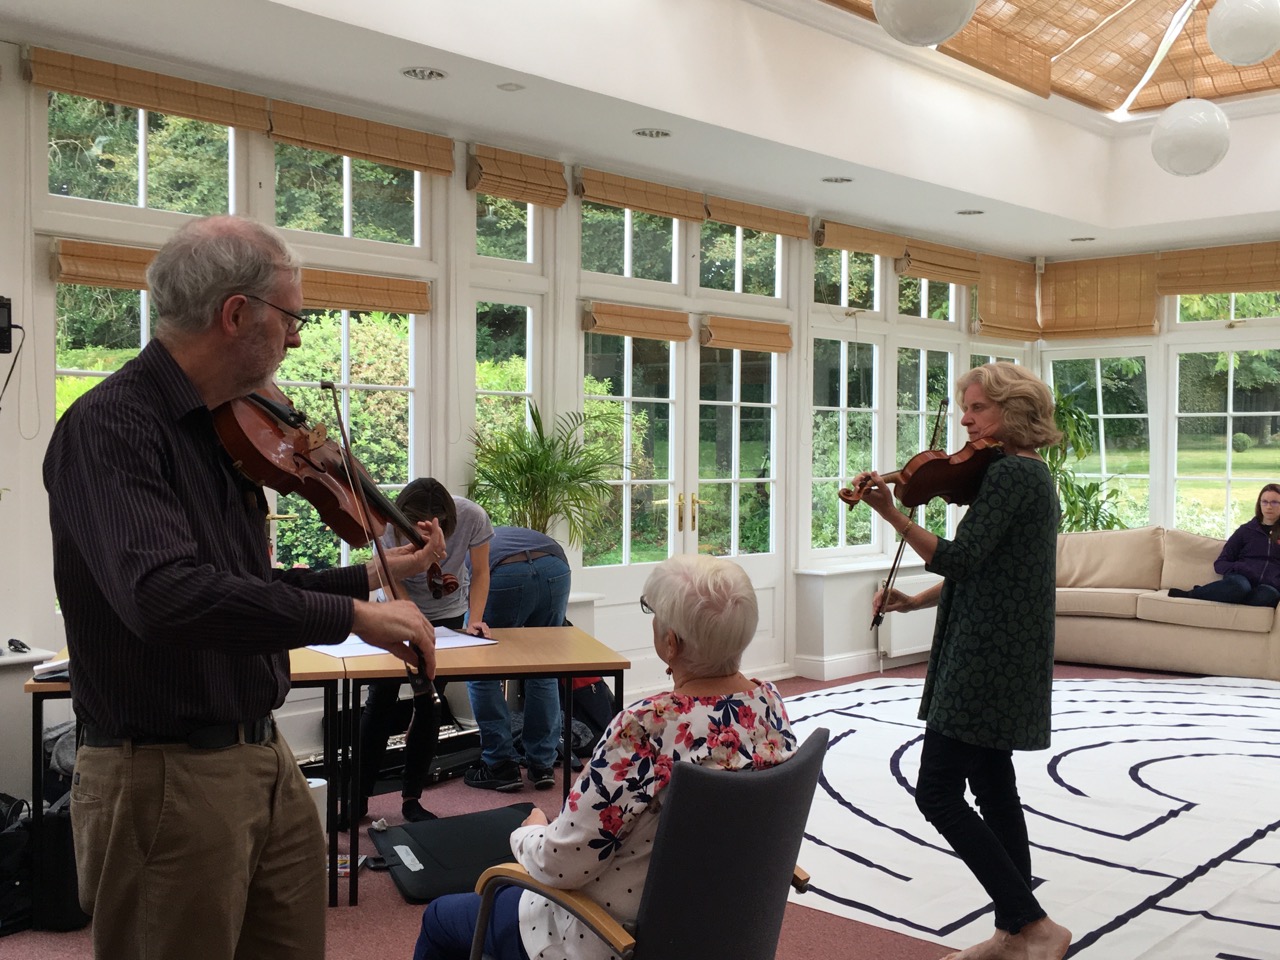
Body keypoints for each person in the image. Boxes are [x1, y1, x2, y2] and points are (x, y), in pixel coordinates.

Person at [43, 215, 441, 960]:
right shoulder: (111, 427)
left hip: (261, 753)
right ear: (236, 314)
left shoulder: (220, 428)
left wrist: (368, 580)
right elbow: (165, 596)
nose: (296, 340)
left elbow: (239, 586)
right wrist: (350, 615)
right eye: (291, 318)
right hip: (164, 773)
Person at [414, 553, 797, 960]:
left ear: (671, 642)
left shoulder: (645, 728)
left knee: (440, 918)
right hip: (722, 928)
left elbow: (560, 863)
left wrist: (528, 833)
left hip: (610, 938)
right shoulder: (769, 707)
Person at [856, 362, 1072, 960]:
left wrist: (891, 514)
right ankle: (1012, 933)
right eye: (965, 408)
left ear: (1013, 410)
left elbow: (961, 558)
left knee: (937, 791)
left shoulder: (1010, 475)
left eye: (978, 408)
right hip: (1001, 649)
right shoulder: (1028, 473)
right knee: (994, 789)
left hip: (985, 658)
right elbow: (988, 571)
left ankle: (1035, 926)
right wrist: (913, 601)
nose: (965, 420)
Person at [358, 478, 494, 822]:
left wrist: (475, 620)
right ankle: (358, 797)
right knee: (380, 701)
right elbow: (390, 579)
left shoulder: (473, 516)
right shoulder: (386, 522)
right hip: (395, 610)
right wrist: (411, 620)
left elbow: (480, 572)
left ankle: (412, 799)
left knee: (429, 702)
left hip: (447, 615)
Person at [463, 526, 570, 793]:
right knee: (543, 666)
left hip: (503, 573)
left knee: (480, 667)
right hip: (554, 567)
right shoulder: (493, 531)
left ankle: (500, 764)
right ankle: (542, 764)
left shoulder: (452, 545)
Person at [1167, 483, 1280, 606]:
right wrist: (1242, 568)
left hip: (1267, 586)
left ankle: (1224, 595)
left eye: (1274, 502)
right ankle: (1192, 594)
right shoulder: (1245, 531)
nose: (1268, 507)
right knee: (1239, 587)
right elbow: (1220, 563)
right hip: (1240, 580)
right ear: (1259, 504)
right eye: (1264, 502)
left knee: (1269, 595)